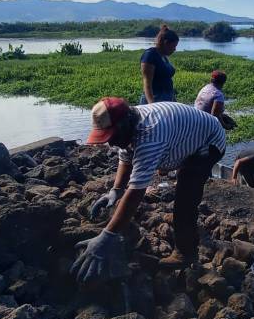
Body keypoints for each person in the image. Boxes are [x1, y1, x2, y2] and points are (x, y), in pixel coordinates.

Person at [71, 98, 226, 283]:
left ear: (124, 124)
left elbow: (137, 191)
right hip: (188, 133)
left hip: (209, 142)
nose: (111, 144)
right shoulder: (129, 124)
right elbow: (126, 155)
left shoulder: (150, 133)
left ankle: (186, 253)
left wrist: (107, 236)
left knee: (185, 197)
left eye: (112, 137)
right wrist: (116, 189)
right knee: (178, 177)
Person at [140, 25, 179, 104]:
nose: (175, 49)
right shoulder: (150, 55)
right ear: (166, 43)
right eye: (174, 46)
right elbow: (147, 84)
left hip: (166, 100)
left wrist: (174, 102)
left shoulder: (163, 56)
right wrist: (152, 106)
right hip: (154, 100)